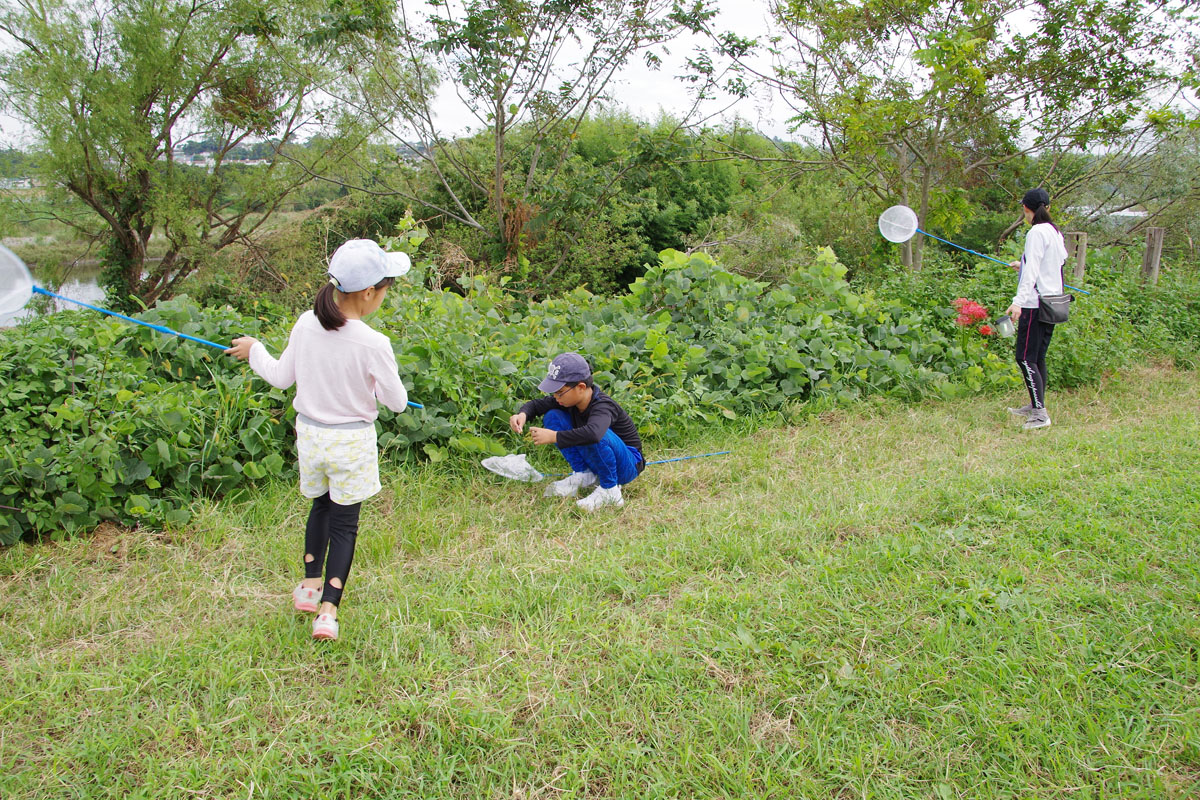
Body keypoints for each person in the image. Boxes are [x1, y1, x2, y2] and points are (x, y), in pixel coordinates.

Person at [225, 239, 412, 641]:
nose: (383, 296)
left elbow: (280, 376)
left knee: (320, 507)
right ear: (368, 293)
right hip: (351, 443)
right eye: (385, 289)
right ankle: (328, 611)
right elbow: (397, 403)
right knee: (346, 524)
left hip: (311, 439)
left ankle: (310, 585)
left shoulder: (306, 323)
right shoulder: (374, 343)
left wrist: (254, 348)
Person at [508, 353, 645, 511]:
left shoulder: (603, 407)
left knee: (597, 432)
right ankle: (584, 474)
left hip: (627, 465)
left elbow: (594, 434)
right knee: (553, 415)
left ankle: (610, 490)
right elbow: (537, 405)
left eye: (559, 392)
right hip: (599, 458)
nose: (555, 397)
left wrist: (554, 436)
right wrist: (522, 415)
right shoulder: (567, 400)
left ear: (581, 387)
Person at [1005, 187, 1068, 430]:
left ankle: (1040, 414)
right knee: (1037, 356)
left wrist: (1018, 301)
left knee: (1024, 357)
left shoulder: (1035, 233)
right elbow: (1053, 262)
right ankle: (1035, 405)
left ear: (1026, 209)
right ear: (1048, 207)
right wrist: (1021, 264)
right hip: (1052, 302)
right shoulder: (1054, 231)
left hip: (1033, 304)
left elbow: (1033, 271)